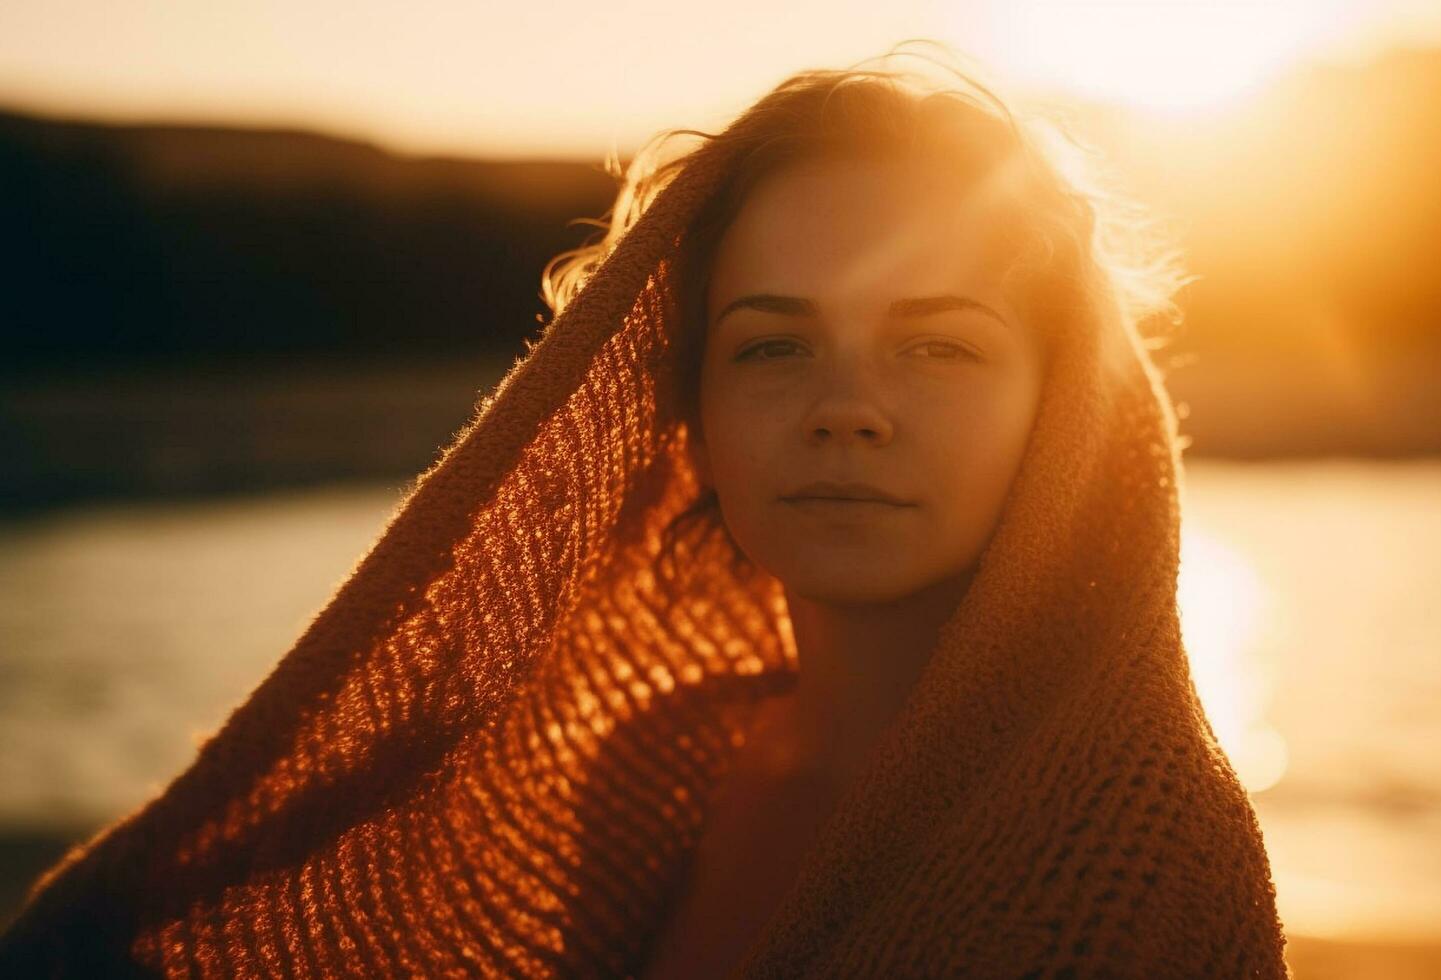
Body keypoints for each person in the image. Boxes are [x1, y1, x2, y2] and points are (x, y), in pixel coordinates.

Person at [0, 44, 1287, 978]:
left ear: (1058, 412)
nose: (847, 408)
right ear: (692, 419)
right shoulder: (657, 764)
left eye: (937, 347)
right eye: (773, 347)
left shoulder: (1136, 856)